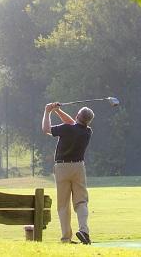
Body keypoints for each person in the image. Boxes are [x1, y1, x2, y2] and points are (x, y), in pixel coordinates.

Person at [42, 102, 94, 244]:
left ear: (78, 115)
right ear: (88, 120)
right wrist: (58, 111)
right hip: (78, 167)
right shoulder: (87, 131)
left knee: (63, 204)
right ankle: (84, 230)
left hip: (62, 167)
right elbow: (73, 123)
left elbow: (46, 129)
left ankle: (66, 238)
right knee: (81, 201)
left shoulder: (66, 129)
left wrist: (48, 111)